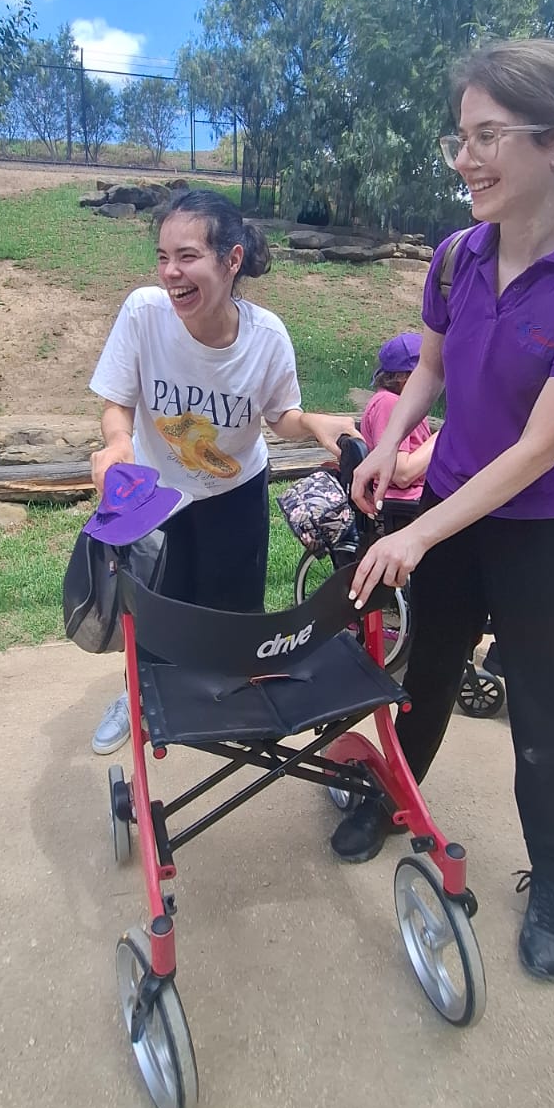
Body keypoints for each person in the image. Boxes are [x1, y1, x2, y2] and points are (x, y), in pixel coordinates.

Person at [346, 38, 554, 985]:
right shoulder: (457, 256)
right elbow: (431, 371)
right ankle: (398, 798)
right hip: (448, 507)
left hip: (544, 534)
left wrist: (417, 529)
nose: (465, 159)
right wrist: (386, 443)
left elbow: (537, 451)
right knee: (422, 680)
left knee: (542, 714)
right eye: (461, 137)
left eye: (488, 137)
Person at [87, 187, 358, 755]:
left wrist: (314, 424)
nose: (170, 273)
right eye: (163, 257)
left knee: (234, 616)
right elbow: (118, 401)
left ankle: (231, 699)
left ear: (231, 260)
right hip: (155, 493)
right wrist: (116, 445)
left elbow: (279, 416)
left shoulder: (266, 338)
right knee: (154, 610)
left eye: (187, 257)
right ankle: (139, 696)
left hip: (235, 493)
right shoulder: (143, 314)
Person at [358, 332, 438, 529]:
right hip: (407, 504)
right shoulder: (389, 403)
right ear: (405, 377)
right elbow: (401, 473)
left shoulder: (399, 403)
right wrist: (441, 438)